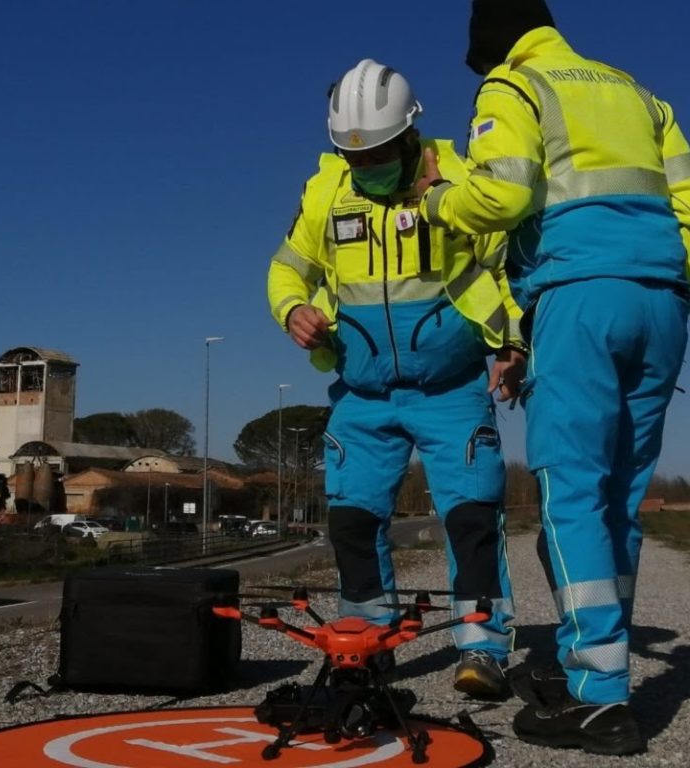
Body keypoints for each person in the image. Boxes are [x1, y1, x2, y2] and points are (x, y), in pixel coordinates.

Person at [416, 0, 690, 754]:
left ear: (493, 47)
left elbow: (505, 191)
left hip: (580, 298)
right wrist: (671, 276)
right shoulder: (635, 90)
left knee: (571, 490)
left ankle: (597, 694)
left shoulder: (516, 86)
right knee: (620, 496)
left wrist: (440, 200)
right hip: (661, 303)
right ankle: (599, 668)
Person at [267, 59, 528, 698]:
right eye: (355, 156)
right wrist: (292, 310)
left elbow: (505, 267)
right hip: (362, 395)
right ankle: (367, 644)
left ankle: (481, 647)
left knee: (470, 518)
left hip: (452, 389)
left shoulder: (456, 177)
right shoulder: (326, 193)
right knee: (351, 522)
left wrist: (512, 343)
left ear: (411, 134)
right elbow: (285, 269)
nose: (369, 165)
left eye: (381, 152)